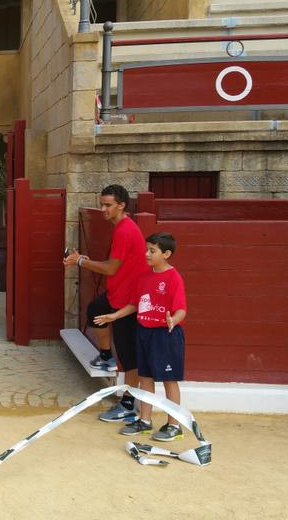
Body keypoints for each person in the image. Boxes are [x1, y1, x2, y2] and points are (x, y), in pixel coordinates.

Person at [63, 184, 147, 423]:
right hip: (117, 294)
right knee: (95, 311)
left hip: (127, 302)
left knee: (129, 359)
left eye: (108, 205)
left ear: (122, 205)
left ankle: (129, 405)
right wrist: (84, 260)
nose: (103, 209)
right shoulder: (122, 226)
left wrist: (80, 261)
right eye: (102, 204)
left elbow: (110, 268)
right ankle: (106, 356)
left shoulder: (124, 230)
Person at [95, 232, 187, 442]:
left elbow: (181, 309)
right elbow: (137, 304)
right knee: (145, 378)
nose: (146, 254)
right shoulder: (144, 277)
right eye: (147, 249)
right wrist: (114, 315)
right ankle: (145, 421)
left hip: (165, 335)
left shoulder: (174, 278)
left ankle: (174, 425)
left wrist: (173, 319)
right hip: (144, 332)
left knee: (169, 380)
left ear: (166, 254)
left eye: (152, 251)